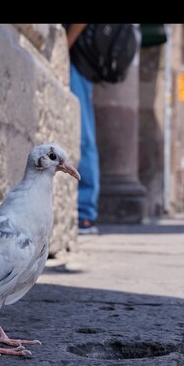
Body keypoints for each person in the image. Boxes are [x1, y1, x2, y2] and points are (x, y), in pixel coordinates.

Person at [66, 24, 99, 235]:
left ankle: (84, 213)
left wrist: (65, 44)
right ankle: (85, 211)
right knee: (82, 132)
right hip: (80, 60)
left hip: (76, 59)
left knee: (82, 135)